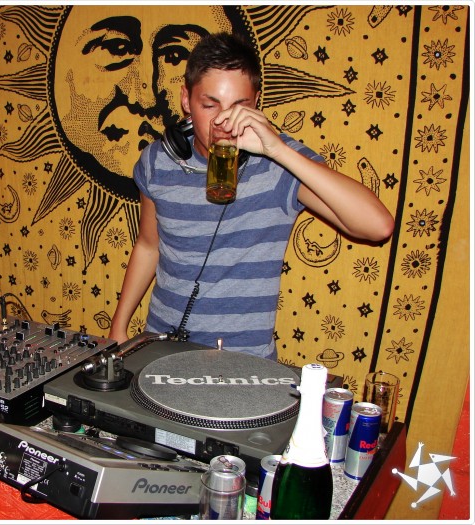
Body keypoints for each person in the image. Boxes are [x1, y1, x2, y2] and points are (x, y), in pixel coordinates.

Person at [108, 32, 394, 359]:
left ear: (256, 103)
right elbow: (149, 245)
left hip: (244, 363)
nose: (223, 120)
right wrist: (119, 327)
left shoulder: (280, 166)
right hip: (162, 350)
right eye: (209, 105)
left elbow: (377, 227)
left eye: (238, 106)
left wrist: (277, 150)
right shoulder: (156, 162)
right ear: (186, 100)